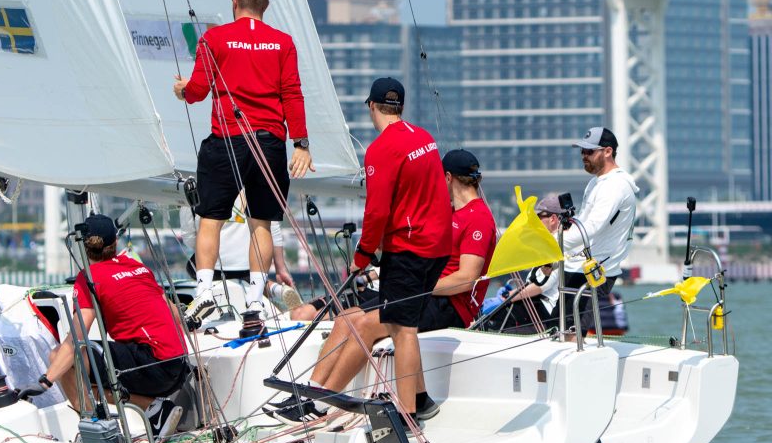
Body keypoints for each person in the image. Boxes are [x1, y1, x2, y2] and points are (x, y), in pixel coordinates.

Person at [266, 78, 455, 421]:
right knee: (402, 323)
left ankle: (407, 413)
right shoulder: (423, 138)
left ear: (371, 106)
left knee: (402, 330)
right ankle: (422, 399)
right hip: (436, 248)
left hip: (410, 251)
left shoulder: (381, 150)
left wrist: (362, 256)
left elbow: (377, 211)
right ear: (401, 107)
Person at [266, 148, 496, 423]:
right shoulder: (447, 212)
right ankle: (309, 395)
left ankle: (322, 406)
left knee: (365, 325)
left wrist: (418, 286)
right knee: (347, 317)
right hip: (421, 294)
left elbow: (466, 278)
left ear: (447, 178)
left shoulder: (478, 217)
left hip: (450, 306)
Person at [173, 0, 313, 328]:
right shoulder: (282, 43)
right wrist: (301, 144)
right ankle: (254, 302)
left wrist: (182, 90)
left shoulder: (214, 39)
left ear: (234, 2)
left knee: (210, 220)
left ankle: (203, 293)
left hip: (226, 141)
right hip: (269, 143)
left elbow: (199, 92)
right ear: (266, 5)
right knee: (261, 222)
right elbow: (292, 94)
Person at [19, 215, 188, 438]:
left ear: (84, 248)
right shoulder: (138, 267)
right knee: (93, 383)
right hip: (178, 366)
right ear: (115, 243)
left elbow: (76, 341)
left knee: (61, 358)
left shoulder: (88, 278)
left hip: (152, 367)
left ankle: (95, 430)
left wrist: (45, 381)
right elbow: (174, 313)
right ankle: (155, 410)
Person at [564, 127, 639, 333]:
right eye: (582, 152)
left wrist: (553, 243)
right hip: (577, 266)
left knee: (571, 332)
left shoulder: (615, 185)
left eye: (589, 152)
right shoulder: (596, 183)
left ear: (607, 151)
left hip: (595, 271)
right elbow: (580, 223)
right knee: (559, 327)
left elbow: (592, 228)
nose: (583, 156)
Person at [179, 197, 302, 314]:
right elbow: (273, 230)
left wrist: (204, 251)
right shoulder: (256, 183)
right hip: (248, 265)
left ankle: (205, 292)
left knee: (192, 265)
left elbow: (188, 235)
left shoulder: (197, 183)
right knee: (255, 277)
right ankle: (275, 289)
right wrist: (281, 269)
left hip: (213, 268)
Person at [481, 194, 563, 334]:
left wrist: (505, 298)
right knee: (488, 318)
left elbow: (542, 285)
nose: (535, 222)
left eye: (538, 218)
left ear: (553, 219)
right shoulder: (550, 243)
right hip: (535, 304)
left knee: (491, 321)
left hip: (544, 311)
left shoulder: (559, 244)